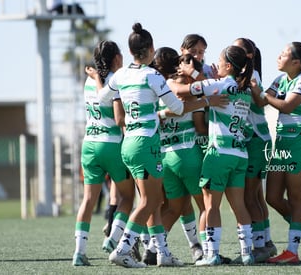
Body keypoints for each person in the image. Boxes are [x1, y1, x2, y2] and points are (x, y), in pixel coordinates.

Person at [91, 23, 228, 268]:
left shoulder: (121, 75)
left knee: (153, 201)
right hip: (146, 144)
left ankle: (162, 253)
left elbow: (102, 97)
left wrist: (99, 80)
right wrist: (205, 100)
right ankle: (124, 248)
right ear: (150, 49)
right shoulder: (152, 76)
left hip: (129, 144)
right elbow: (176, 107)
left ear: (131, 51)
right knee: (149, 202)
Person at [178, 45, 255, 266]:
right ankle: (247, 252)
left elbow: (183, 92)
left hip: (219, 153)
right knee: (239, 205)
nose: (216, 65)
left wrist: (187, 71)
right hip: (240, 152)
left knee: (210, 205)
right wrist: (200, 76)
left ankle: (211, 254)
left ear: (228, 65)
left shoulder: (221, 84)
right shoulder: (245, 88)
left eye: (220, 61)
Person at [255, 41, 301, 264]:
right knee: (272, 197)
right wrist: (250, 83)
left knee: (295, 198)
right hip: (282, 146)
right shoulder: (280, 79)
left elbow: (286, 106)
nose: (278, 56)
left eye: (283, 54)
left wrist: (264, 96)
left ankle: (292, 250)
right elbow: (260, 100)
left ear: (296, 62)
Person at [72, 40, 136, 266]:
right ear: (116, 58)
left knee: (88, 200)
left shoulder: (89, 82)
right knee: (128, 197)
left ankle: (79, 252)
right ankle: (113, 239)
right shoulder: (116, 81)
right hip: (111, 144)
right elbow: (119, 115)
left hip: (89, 144)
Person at [152, 48, 206, 263]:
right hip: (188, 155)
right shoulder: (190, 92)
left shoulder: (159, 91)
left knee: (174, 208)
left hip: (166, 157)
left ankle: (153, 248)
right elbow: (201, 127)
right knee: (206, 206)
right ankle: (208, 253)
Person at [231, 38, 277, 263]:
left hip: (255, 140)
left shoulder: (250, 76)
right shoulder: (247, 75)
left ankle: (258, 246)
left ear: (249, 56)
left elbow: (260, 103)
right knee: (256, 195)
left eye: (237, 49)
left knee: (249, 196)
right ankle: (266, 242)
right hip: (257, 140)